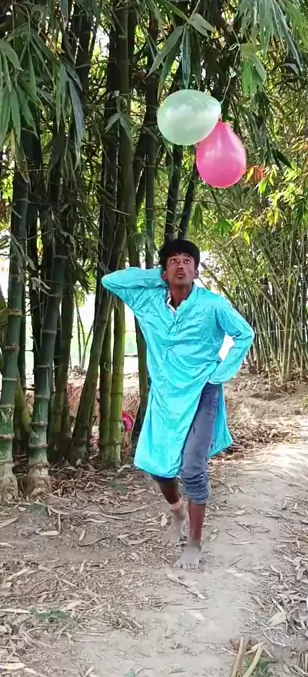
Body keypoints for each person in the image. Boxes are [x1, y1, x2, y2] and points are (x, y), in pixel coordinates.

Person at [102, 239, 254, 569]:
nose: (181, 265)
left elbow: (244, 334)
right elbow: (111, 281)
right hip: (164, 396)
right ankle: (177, 512)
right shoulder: (148, 302)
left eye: (187, 261)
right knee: (158, 467)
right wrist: (156, 275)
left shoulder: (212, 305)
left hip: (201, 393)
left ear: (197, 271)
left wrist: (219, 374)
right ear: (164, 271)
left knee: (192, 469)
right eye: (173, 260)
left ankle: (194, 543)